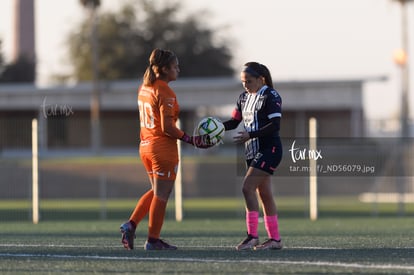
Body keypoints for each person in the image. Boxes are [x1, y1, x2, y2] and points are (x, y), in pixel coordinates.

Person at [120, 48, 211, 250]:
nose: (178, 69)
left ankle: (131, 224)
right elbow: (167, 127)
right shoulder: (164, 91)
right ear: (163, 69)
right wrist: (191, 139)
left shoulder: (145, 87)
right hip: (162, 149)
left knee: (156, 191)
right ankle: (153, 240)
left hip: (145, 146)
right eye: (175, 66)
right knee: (162, 195)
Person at [223, 62, 283, 250]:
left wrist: (251, 134)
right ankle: (275, 240)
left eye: (249, 81)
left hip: (269, 149)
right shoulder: (243, 97)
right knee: (264, 194)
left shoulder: (270, 95)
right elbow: (234, 121)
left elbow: (275, 125)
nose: (245, 85)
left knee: (247, 188)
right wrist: (214, 128)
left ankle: (252, 236)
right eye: (243, 82)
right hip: (252, 150)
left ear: (260, 79)